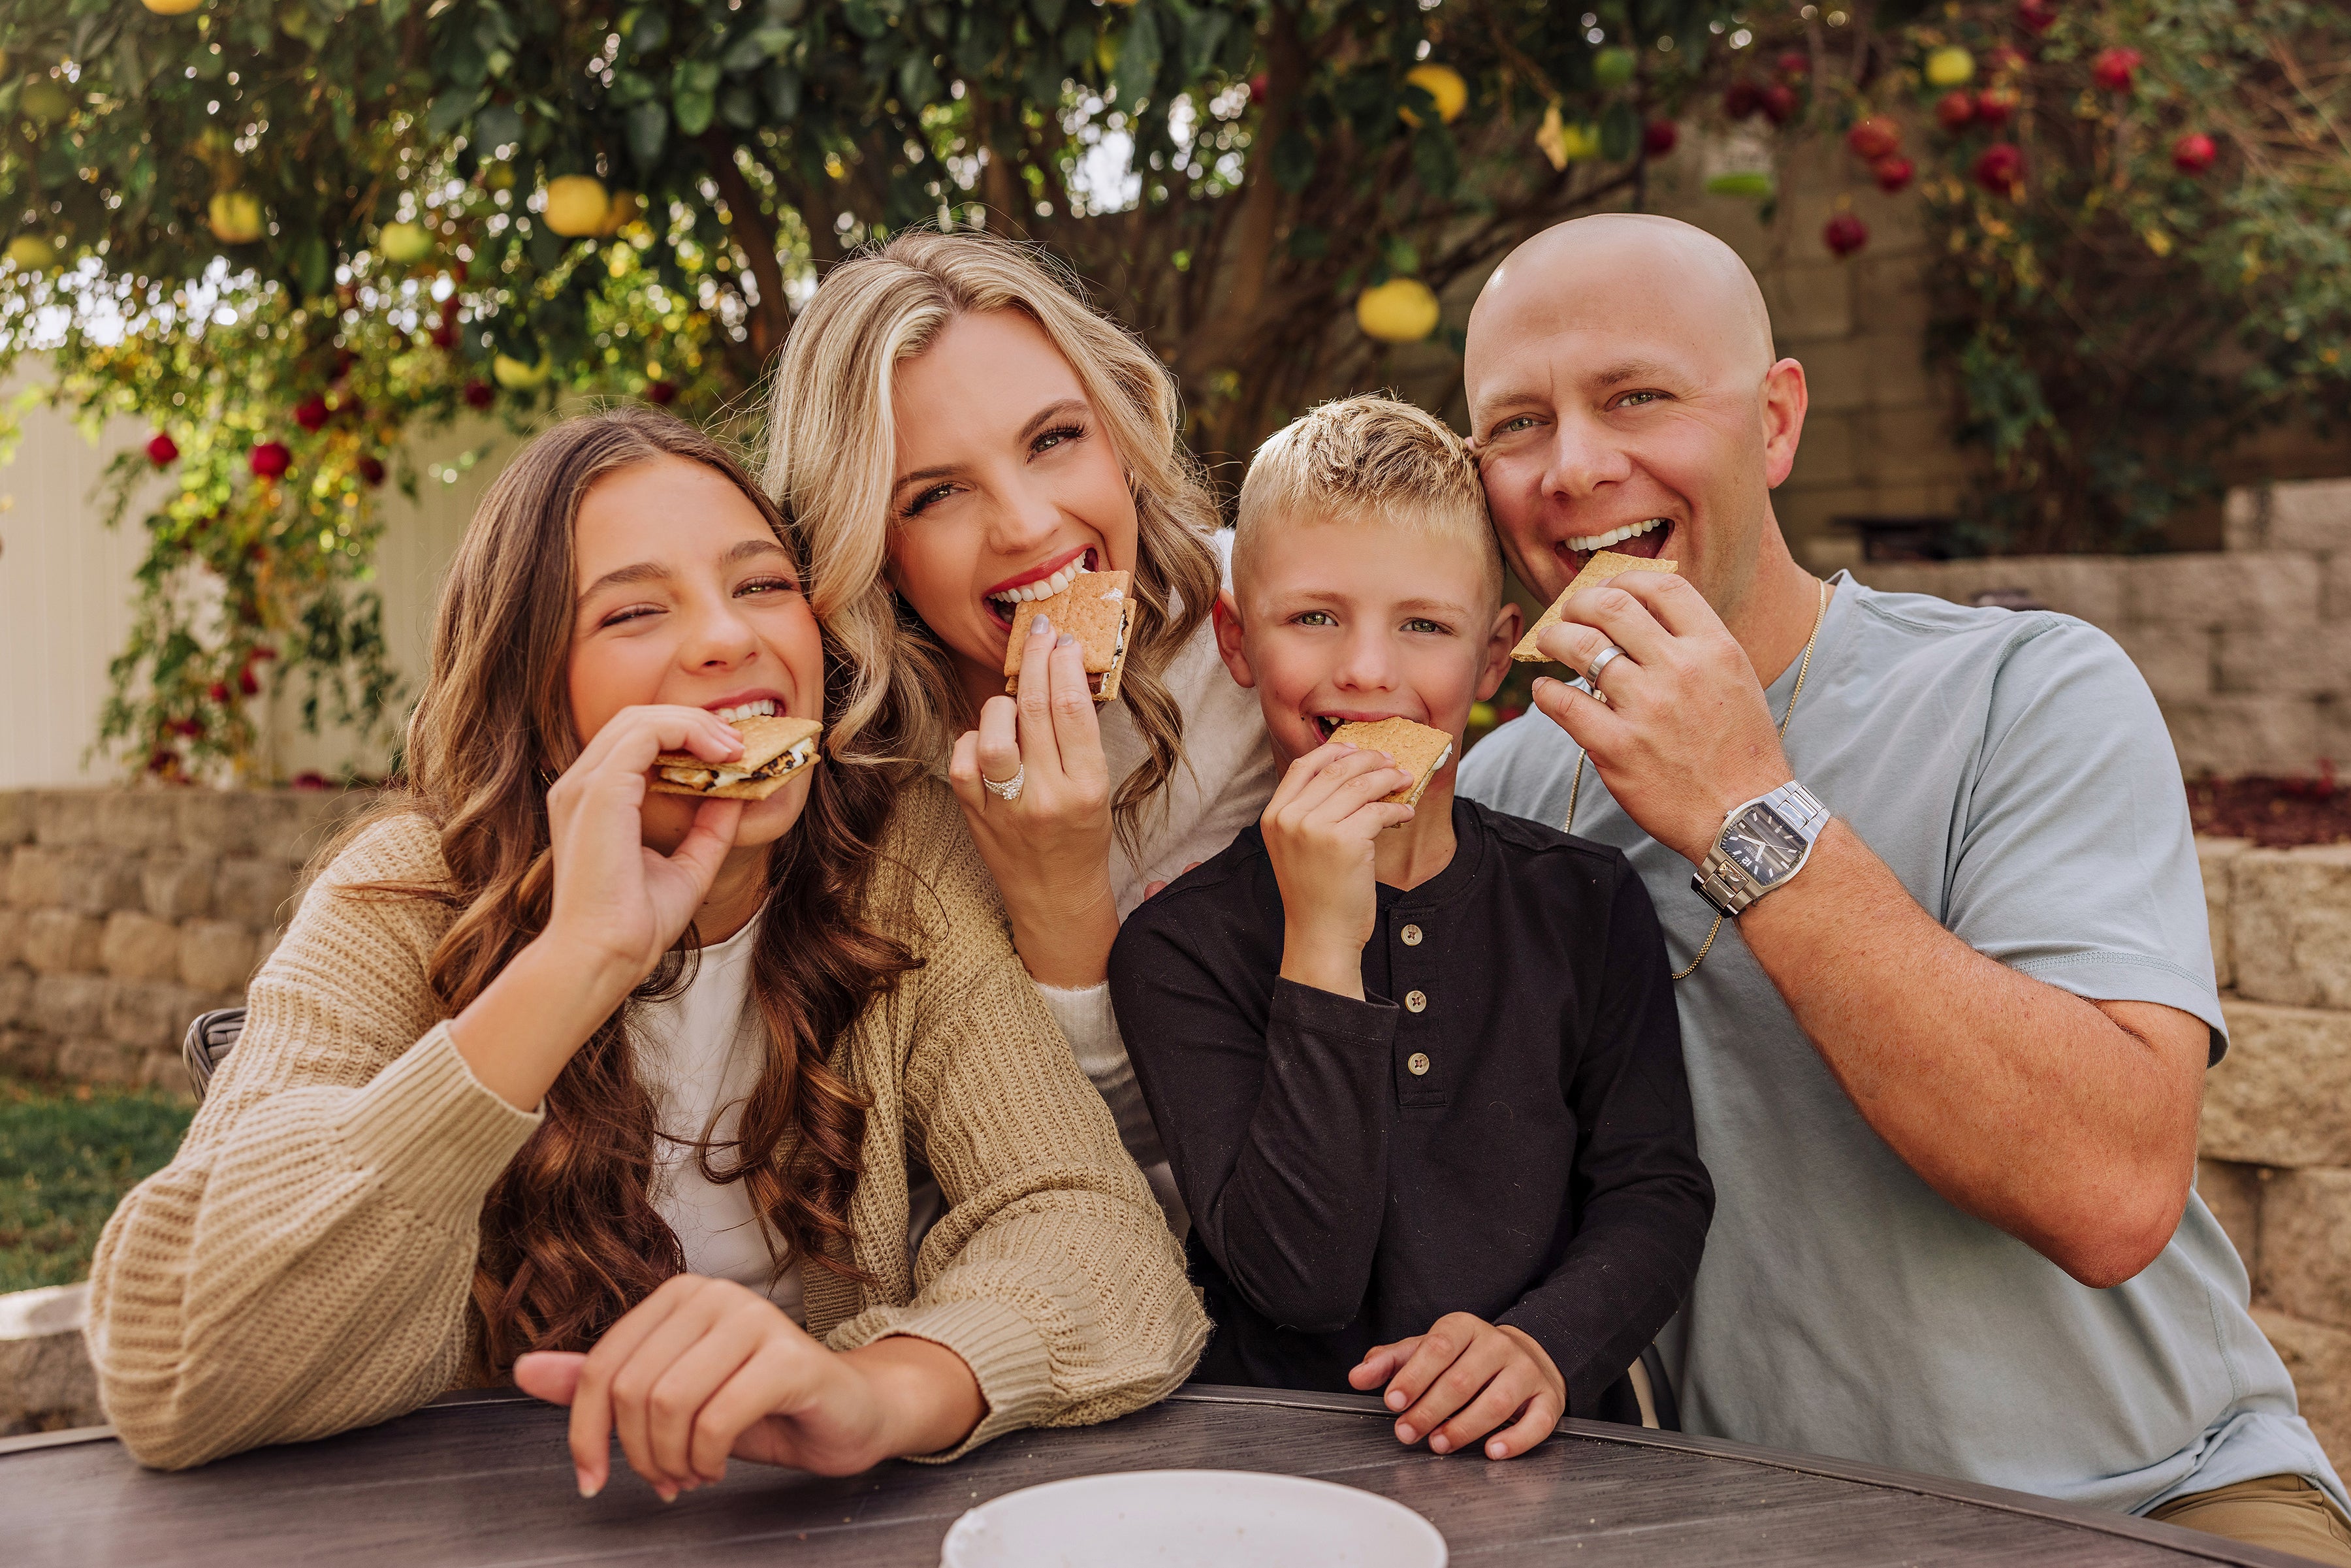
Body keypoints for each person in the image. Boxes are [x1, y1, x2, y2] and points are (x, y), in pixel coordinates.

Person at [84, 409, 1206, 1491]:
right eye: (632, 613)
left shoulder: (894, 863)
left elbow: (1099, 1230)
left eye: (761, 586)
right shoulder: (404, 897)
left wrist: (876, 1391)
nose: (728, 637)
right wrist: (575, 962)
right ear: (537, 695)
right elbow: (173, 1366)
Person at [1454, 212, 2351, 1563]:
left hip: (2154, 1499)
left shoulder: (2027, 691)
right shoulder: (1496, 800)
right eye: (1519, 424)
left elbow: (2111, 1192)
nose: (1575, 465)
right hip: (1762, 1534)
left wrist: (1743, 808)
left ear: (1775, 422)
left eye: (1637, 396)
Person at [1110, 395, 1714, 1462]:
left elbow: (1654, 1192)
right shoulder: (1178, 948)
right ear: (1237, 641)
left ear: (1493, 657)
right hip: (1277, 1471)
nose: (1366, 670)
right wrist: (1321, 943)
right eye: (1314, 617)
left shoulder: (1584, 901)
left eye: (1423, 625)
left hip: (1549, 1466)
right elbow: (1299, 1276)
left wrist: (1544, 1346)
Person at [762, 231, 1279, 1228]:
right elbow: (1048, 1185)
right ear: (873, 548)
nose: (1029, 523)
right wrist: (1059, 904)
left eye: (1054, 439)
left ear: (1119, 432)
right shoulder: (850, 785)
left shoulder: (1267, 630)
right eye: (937, 494)